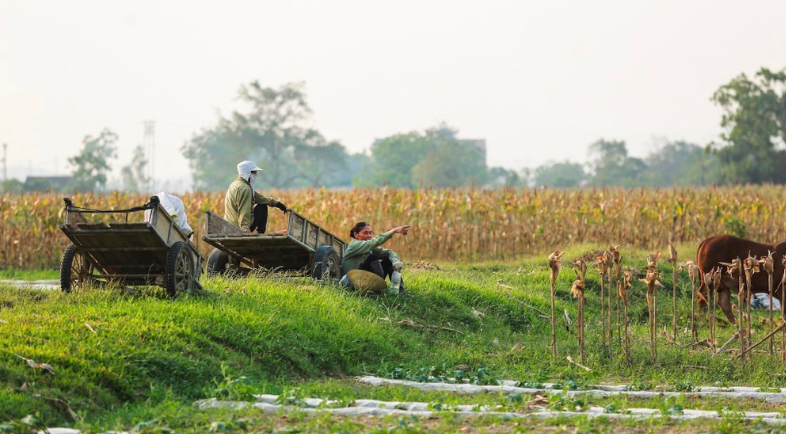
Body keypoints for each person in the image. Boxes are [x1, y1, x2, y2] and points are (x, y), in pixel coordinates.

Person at [340, 221, 410, 292]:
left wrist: (395, 261)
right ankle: (379, 289)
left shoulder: (369, 247)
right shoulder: (354, 245)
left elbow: (389, 252)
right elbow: (375, 241)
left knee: (388, 260)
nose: (369, 235)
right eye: (365, 233)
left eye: (370, 233)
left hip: (366, 279)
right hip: (352, 282)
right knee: (372, 257)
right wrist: (393, 231)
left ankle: (400, 291)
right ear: (356, 234)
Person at [224, 160, 288, 233]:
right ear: (248, 173)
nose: (255, 175)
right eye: (254, 172)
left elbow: (260, 198)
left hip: (229, 225)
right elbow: (244, 209)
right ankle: (260, 232)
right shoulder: (245, 189)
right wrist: (245, 227)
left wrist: (278, 204)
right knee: (262, 206)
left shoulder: (235, 185)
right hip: (238, 227)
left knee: (262, 202)